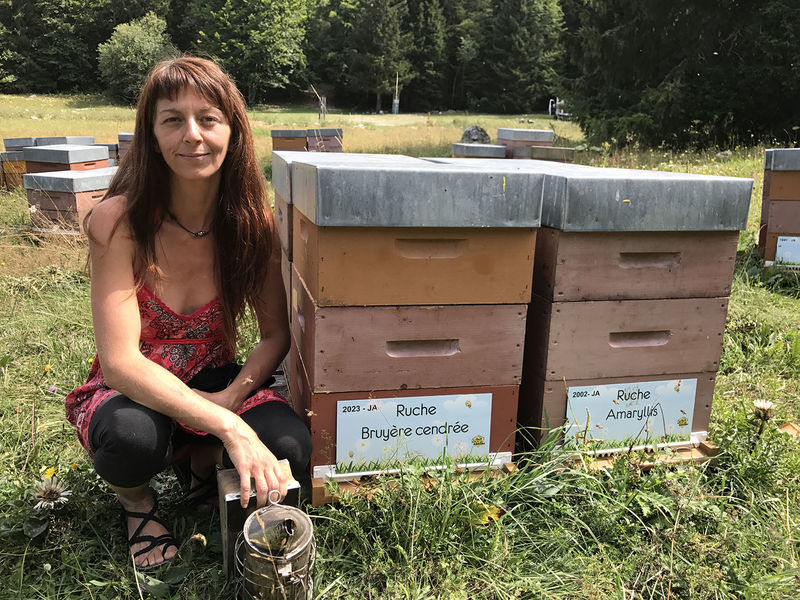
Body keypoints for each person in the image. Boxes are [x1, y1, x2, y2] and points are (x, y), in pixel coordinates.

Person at [64, 57, 312, 570]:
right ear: (152, 135)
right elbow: (120, 363)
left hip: (217, 378)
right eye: (172, 119)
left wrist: (229, 398)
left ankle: (201, 466)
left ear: (233, 130)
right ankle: (138, 504)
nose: (192, 135)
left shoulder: (252, 223)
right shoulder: (118, 221)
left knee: (290, 444)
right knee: (131, 439)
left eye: (208, 118)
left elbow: (274, 336)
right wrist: (230, 426)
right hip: (135, 386)